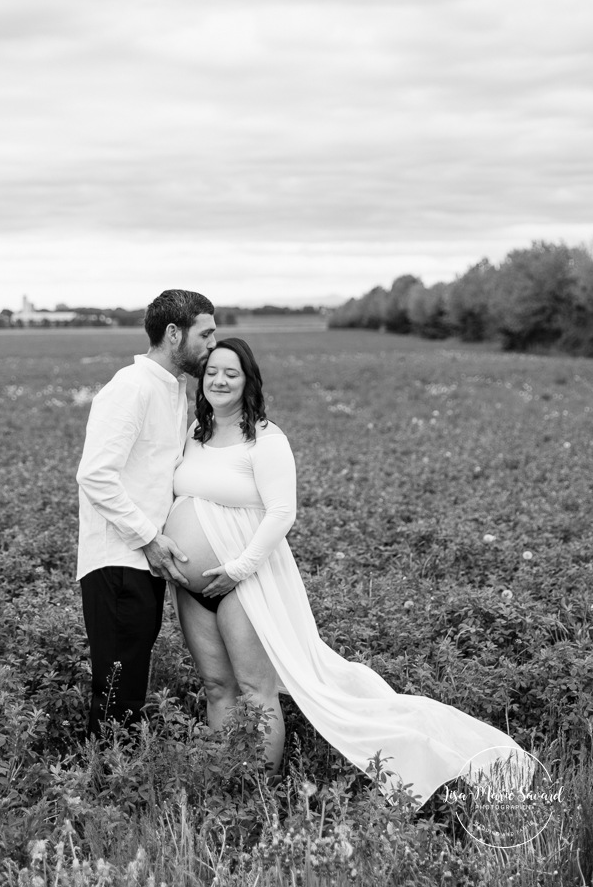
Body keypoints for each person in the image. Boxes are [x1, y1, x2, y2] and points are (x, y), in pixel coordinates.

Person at [163, 337, 528, 808]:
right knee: (217, 687)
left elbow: (281, 513)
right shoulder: (195, 431)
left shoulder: (266, 438)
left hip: (243, 580)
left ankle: (261, 794)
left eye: (231, 372)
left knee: (255, 690)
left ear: (248, 380)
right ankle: (227, 787)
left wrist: (237, 568)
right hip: (193, 588)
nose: (219, 380)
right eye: (212, 371)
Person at [76, 288, 216, 736]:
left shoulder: (174, 389)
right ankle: (108, 786)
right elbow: (95, 475)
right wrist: (149, 538)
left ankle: (114, 777)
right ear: (174, 334)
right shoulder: (130, 388)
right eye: (206, 333)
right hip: (120, 558)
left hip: (142, 560)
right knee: (118, 689)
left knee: (129, 680)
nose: (213, 344)